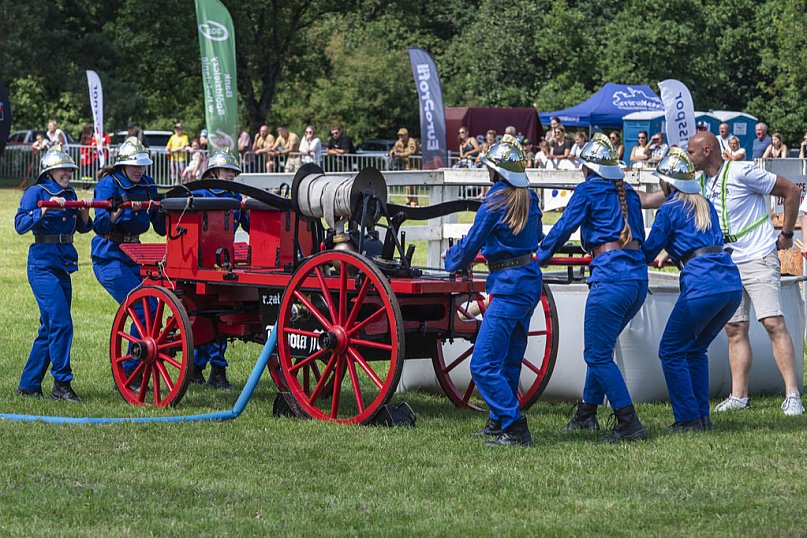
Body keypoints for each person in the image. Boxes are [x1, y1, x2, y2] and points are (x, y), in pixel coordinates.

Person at [536, 133, 648, 442]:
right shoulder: (631, 195)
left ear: (588, 168)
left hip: (611, 280)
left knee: (597, 355)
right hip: (637, 279)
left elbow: (563, 227)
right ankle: (587, 414)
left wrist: (541, 256)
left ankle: (629, 423)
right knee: (602, 347)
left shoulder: (588, 190)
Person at [685, 131, 803, 415]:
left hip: (758, 256)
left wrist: (785, 235)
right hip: (727, 263)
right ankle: (739, 396)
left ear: (708, 150)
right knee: (734, 328)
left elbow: (792, 191)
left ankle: (793, 395)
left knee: (773, 323)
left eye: (691, 152)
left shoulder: (741, 171)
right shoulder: (700, 181)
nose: (689, 157)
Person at [444, 135, 543, 447]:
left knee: (483, 364)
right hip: (529, 283)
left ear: (495, 171)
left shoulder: (495, 201)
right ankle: (497, 422)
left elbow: (472, 243)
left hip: (507, 286)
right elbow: (538, 235)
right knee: (510, 359)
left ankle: (514, 425)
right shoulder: (530, 198)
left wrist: (451, 261)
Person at [642, 148, 743, 431]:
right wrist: (675, 254)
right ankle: (702, 417)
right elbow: (704, 242)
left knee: (671, 351)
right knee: (696, 350)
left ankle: (687, 419)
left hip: (702, 285)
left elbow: (649, 249)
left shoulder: (669, 209)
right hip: (730, 283)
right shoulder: (705, 204)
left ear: (668, 183)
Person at [14, 145, 92, 401]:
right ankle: (61, 385)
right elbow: (20, 224)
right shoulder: (36, 191)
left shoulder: (70, 193)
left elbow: (82, 228)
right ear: (49, 171)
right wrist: (44, 209)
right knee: (61, 323)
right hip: (42, 265)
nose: (68, 173)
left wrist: (83, 211)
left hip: (64, 265)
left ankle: (28, 385)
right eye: (63, 169)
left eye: (70, 169)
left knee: (50, 327)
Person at [92, 137, 166, 390]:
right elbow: (99, 225)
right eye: (135, 165)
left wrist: (174, 212)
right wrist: (117, 212)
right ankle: (128, 374)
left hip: (136, 254)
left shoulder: (147, 184)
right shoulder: (107, 184)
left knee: (153, 307)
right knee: (143, 308)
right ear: (122, 164)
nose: (140, 170)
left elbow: (160, 225)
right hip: (109, 255)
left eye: (143, 165)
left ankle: (134, 367)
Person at [188, 148, 249, 390]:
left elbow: (250, 224)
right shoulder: (198, 192)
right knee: (209, 316)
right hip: (198, 262)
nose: (231, 175)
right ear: (214, 172)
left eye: (234, 172)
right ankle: (213, 369)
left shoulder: (236, 198)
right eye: (227, 171)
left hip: (224, 261)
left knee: (217, 315)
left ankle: (200, 368)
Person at [390, 128, 420, 206]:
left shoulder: (411, 141)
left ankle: (414, 201)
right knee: (407, 185)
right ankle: (408, 201)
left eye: (402, 135)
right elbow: (393, 149)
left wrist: (400, 154)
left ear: (407, 135)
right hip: (406, 166)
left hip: (414, 165)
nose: (400, 137)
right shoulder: (399, 142)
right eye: (399, 135)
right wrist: (392, 153)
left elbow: (412, 151)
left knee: (413, 184)